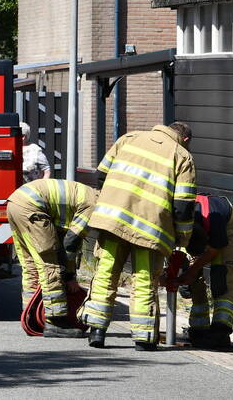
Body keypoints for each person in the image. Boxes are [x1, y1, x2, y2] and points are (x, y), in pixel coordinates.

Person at [81, 122, 197, 350]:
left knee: (106, 274)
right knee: (143, 280)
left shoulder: (128, 138)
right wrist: (182, 240)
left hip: (113, 221)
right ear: (185, 140)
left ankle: (97, 331)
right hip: (150, 230)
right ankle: (143, 339)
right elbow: (183, 206)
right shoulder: (182, 156)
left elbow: (101, 175)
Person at [7, 177, 97, 337]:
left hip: (15, 203)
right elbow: (70, 243)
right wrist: (70, 277)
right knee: (51, 264)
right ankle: (56, 321)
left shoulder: (89, 195)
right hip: (33, 208)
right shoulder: (94, 206)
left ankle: (32, 316)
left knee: (31, 266)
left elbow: (66, 240)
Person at [180, 193, 233, 349]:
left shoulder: (215, 222)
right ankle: (199, 329)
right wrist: (183, 271)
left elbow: (216, 249)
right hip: (192, 232)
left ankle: (220, 333)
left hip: (226, 227)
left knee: (222, 277)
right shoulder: (180, 221)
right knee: (192, 277)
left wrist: (193, 269)